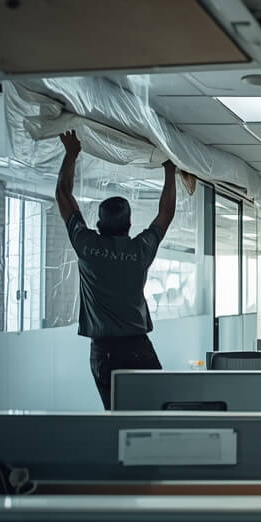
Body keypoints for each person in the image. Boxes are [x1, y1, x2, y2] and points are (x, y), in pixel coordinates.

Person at [55, 130, 176, 410]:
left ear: (99, 223)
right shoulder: (139, 250)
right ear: (129, 224)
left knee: (116, 415)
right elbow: (165, 214)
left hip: (104, 350)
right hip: (137, 346)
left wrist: (71, 153)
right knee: (157, 412)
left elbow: (63, 194)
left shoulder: (87, 246)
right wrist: (170, 170)